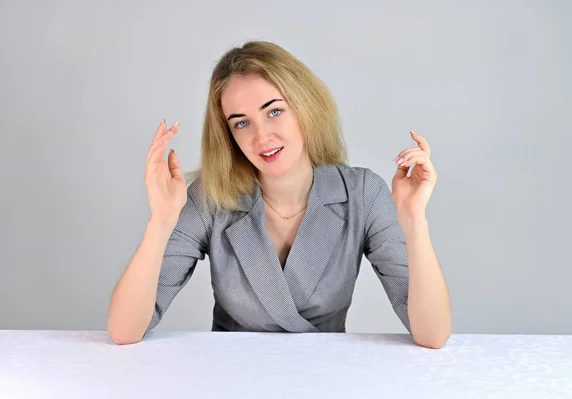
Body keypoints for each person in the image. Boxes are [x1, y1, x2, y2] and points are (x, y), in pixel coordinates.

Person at [107, 40, 451, 348]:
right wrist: (161, 220)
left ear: (304, 108)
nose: (262, 137)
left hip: (326, 380)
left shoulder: (362, 193)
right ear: (229, 135)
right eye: (241, 122)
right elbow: (125, 331)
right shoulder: (209, 199)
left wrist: (413, 219)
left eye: (274, 111)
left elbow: (431, 334)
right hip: (231, 381)